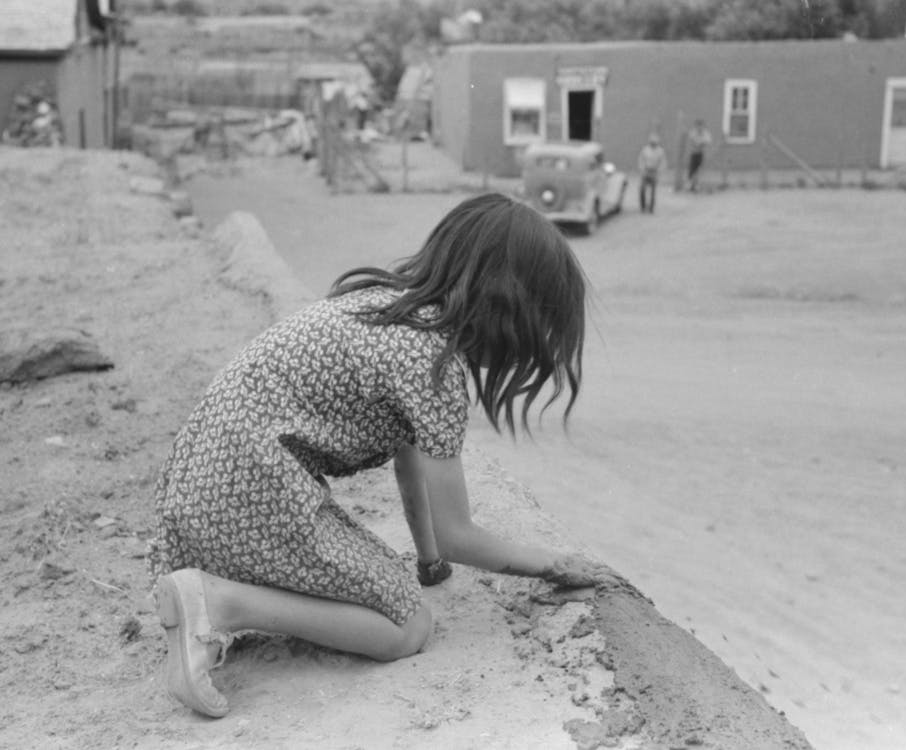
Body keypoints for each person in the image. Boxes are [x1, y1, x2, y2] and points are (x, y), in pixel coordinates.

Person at [148, 192, 617, 718]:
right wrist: (554, 564)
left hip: (205, 481)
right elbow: (460, 534)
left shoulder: (393, 310)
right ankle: (216, 604)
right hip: (253, 487)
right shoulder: (433, 367)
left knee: (388, 592)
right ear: (510, 310)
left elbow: (408, 457)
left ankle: (209, 598)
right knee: (407, 627)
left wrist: (428, 561)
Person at [636, 133, 666, 214]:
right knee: (642, 189)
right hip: (646, 171)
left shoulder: (660, 151)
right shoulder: (645, 150)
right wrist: (642, 169)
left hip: (654, 171)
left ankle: (651, 208)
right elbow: (641, 160)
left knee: (653, 191)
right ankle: (643, 206)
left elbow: (662, 162)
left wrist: (659, 171)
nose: (653, 143)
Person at [685, 119, 713, 193]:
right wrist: (699, 142)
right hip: (693, 153)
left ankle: (696, 184)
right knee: (691, 169)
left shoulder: (705, 133)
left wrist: (700, 142)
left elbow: (708, 141)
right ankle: (690, 184)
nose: (699, 128)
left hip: (701, 153)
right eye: (698, 126)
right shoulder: (693, 132)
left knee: (699, 169)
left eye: (701, 126)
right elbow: (692, 139)